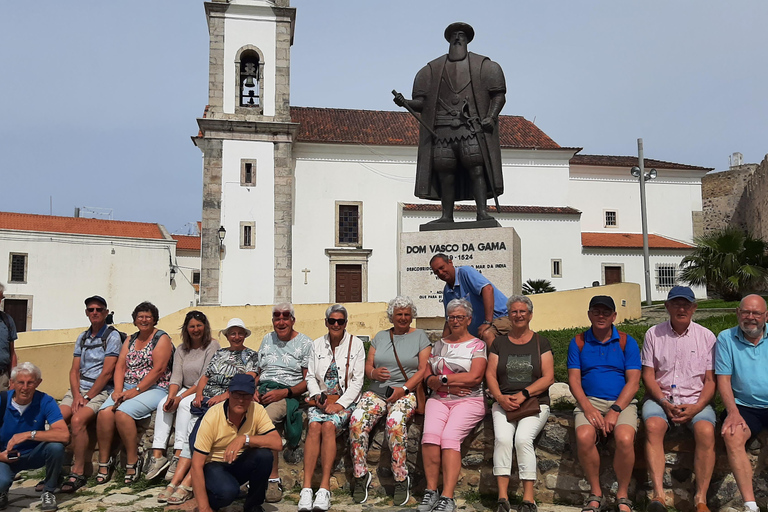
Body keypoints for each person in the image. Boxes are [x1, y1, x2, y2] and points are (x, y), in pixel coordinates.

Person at [393, 22, 506, 224]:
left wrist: (491, 116)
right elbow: (422, 103)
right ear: (448, 39)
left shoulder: (485, 66)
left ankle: (482, 212)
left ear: (467, 39)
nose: (457, 39)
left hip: (471, 128)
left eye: (462, 35)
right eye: (454, 35)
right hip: (442, 130)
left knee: (477, 169)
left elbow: (498, 95)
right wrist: (406, 103)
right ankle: (446, 216)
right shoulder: (431, 70)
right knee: (445, 173)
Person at [163, 318, 259, 505]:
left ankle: (186, 484)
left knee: (200, 441)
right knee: (192, 438)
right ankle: (175, 482)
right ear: (227, 335)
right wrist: (198, 395)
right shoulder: (220, 353)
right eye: (233, 333)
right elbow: (205, 377)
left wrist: (224, 397)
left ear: (245, 335)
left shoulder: (251, 356)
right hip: (206, 401)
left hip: (227, 402)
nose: (236, 337)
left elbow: (248, 381)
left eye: (240, 333)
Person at [349, 296, 431, 505]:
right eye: (399, 314)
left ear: (411, 316)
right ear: (391, 317)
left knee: (395, 424)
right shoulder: (380, 337)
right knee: (357, 421)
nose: (403, 318)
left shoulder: (420, 336)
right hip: (378, 392)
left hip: (406, 392)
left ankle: (401, 478)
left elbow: (423, 370)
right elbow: (368, 366)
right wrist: (374, 373)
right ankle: (360, 475)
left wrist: (403, 389)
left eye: (406, 314)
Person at [641, 286, 716, 512]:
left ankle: (700, 500)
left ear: (694, 308)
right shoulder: (653, 334)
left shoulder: (707, 337)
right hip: (660, 398)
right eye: (676, 304)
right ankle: (658, 496)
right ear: (667, 306)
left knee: (706, 431)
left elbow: (711, 381)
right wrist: (664, 402)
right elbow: (648, 375)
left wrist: (697, 407)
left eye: (686, 304)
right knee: (653, 426)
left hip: (695, 400)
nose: (681, 308)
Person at [567, 295, 641, 512]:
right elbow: (573, 380)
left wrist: (616, 410)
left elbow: (634, 382)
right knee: (584, 436)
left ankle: (623, 494)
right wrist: (588, 409)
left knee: (625, 438)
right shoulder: (578, 341)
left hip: (622, 402)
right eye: (596, 312)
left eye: (606, 312)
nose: (601, 316)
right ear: (589, 314)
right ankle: (596, 492)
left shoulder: (627, 341)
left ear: (614, 316)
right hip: (590, 401)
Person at [486, 295, 554, 512]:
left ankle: (528, 499)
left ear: (530, 315)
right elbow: (490, 374)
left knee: (523, 439)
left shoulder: (541, 342)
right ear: (508, 316)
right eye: (514, 312)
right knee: (503, 439)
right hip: (503, 402)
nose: (518, 315)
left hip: (534, 402)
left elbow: (548, 377)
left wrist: (524, 393)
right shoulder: (499, 343)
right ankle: (503, 498)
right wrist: (500, 398)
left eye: (522, 311)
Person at [419, 298, 487, 512]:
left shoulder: (478, 345)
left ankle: (448, 496)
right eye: (452, 317)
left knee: (449, 438)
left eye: (460, 317)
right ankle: (431, 492)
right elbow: (428, 377)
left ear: (469, 319)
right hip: (439, 399)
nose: (455, 321)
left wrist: (444, 380)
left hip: (469, 400)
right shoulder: (438, 345)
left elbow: (475, 377)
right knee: (430, 436)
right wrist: (442, 384)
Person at [95, 301, 173, 485]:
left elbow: (158, 369)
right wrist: (118, 390)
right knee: (104, 414)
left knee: (122, 413)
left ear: (154, 319)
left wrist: (135, 391)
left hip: (155, 387)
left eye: (148, 317)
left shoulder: (161, 338)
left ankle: (133, 459)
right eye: (140, 317)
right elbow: (121, 365)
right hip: (128, 387)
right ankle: (105, 461)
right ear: (135, 319)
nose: (144, 320)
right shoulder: (130, 339)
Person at [298, 305, 365, 512]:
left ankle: (324, 487)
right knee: (314, 426)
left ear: (346, 323)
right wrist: (317, 395)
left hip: (345, 401)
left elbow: (358, 381)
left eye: (340, 321)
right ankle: (307, 488)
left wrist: (340, 404)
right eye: (332, 321)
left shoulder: (356, 345)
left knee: (328, 427)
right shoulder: (317, 344)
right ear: (326, 322)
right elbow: (310, 376)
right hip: (322, 401)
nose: (336, 324)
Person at [151, 311, 220, 502]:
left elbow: (204, 377)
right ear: (186, 329)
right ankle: (157, 454)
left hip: (201, 390)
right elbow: (176, 376)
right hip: (184, 388)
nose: (196, 330)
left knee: (184, 406)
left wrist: (180, 398)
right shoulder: (181, 349)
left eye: (199, 325)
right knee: (162, 403)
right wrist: (172, 396)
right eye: (192, 326)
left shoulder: (212, 346)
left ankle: (178, 453)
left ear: (205, 327)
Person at [190, 374, 282, 512]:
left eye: (246, 396)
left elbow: (277, 443)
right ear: (228, 393)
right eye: (236, 395)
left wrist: (245, 439)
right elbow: (196, 464)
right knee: (227, 492)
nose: (240, 400)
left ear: (252, 396)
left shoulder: (257, 410)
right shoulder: (213, 415)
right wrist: (204, 508)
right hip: (214, 465)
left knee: (264, 456)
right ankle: (208, 501)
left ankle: (253, 505)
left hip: (239, 462)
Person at [59, 295, 121, 493]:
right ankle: (53, 470)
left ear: (105, 312)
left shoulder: (111, 337)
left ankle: (78, 471)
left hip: (101, 390)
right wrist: (77, 395)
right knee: (57, 419)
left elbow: (107, 372)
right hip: (80, 389)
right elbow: (74, 370)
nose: (95, 312)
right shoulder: (83, 337)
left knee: (77, 420)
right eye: (91, 310)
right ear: (86, 312)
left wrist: (86, 398)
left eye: (99, 309)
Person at [715, 294, 768, 512]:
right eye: (745, 312)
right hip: (745, 406)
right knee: (732, 435)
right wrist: (733, 412)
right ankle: (750, 504)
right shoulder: (726, 338)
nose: (750, 317)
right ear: (737, 313)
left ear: (766, 316)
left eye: (756, 313)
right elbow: (724, 380)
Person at [255, 303, 312, 503]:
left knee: (266, 419)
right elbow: (259, 371)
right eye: (277, 317)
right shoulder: (266, 339)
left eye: (285, 317)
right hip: (262, 389)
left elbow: (308, 381)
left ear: (293, 320)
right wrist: (252, 390)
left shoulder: (305, 343)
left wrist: (283, 393)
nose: (281, 321)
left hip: (286, 394)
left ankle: (273, 479)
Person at [0, 363, 69, 512]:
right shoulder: (2, 401)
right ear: (12, 383)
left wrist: (28, 434)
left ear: (38, 383)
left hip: (34, 453)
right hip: (5, 455)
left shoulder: (45, 400)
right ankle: (2, 491)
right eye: (20, 382)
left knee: (56, 447)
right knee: (1, 481)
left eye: (30, 382)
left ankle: (49, 490)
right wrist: (1, 456)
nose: (25, 387)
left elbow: (64, 435)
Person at [430, 253, 509, 344]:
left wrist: (487, 322)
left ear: (450, 262)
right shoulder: (447, 291)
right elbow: (449, 321)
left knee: (487, 334)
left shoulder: (465, 272)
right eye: (436, 271)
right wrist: (441, 345)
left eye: (442, 267)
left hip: (502, 317)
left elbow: (487, 289)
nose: (440, 273)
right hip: (479, 329)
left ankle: (493, 358)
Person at [0, 284, 18, 392]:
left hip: (2, 377)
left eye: (1, 298)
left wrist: (13, 379)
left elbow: (12, 352)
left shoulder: (7, 320)